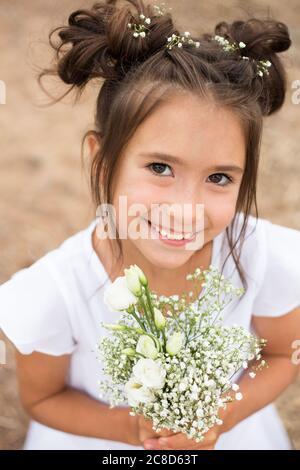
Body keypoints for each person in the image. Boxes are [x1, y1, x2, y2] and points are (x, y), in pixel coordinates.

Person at [0, 0, 300, 450]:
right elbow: (43, 398)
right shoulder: (55, 293)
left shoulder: (259, 257)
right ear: (102, 163)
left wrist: (220, 417)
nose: (186, 207)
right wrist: (132, 430)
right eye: (160, 168)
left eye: (218, 178)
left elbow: (281, 354)